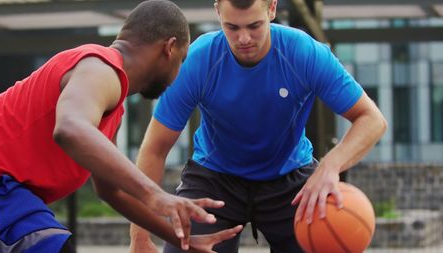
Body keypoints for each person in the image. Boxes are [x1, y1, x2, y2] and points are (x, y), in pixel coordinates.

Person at [0, 1, 244, 252]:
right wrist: (157, 195)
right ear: (169, 48)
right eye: (182, 59)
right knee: (47, 244)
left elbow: (112, 190)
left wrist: (184, 240)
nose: (179, 72)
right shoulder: (100, 66)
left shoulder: (111, 102)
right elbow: (70, 128)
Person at [129, 0, 387, 252]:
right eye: (232, 27)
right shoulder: (199, 61)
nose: (244, 38)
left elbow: (371, 119)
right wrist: (139, 237)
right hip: (215, 178)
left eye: (254, 26)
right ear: (218, 12)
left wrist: (331, 166)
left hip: (290, 177)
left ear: (272, 8)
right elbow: (155, 149)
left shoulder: (303, 52)